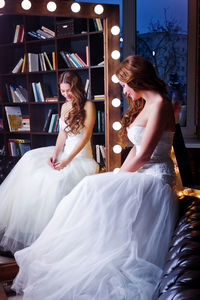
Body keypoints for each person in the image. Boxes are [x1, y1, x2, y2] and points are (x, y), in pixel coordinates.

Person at [12, 55, 178, 300]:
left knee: (91, 186)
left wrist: (119, 176)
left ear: (137, 80)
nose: (123, 90)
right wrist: (120, 174)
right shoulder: (146, 103)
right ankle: (79, 253)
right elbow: (136, 150)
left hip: (155, 178)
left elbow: (143, 155)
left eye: (124, 84)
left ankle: (89, 252)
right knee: (91, 190)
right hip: (142, 172)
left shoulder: (160, 104)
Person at [0, 71, 99, 254]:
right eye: (62, 91)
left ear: (76, 88)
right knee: (32, 165)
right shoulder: (64, 106)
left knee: (57, 182)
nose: (66, 94)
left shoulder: (88, 106)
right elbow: (62, 133)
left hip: (80, 157)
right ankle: (36, 235)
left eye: (69, 90)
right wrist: (55, 154)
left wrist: (68, 160)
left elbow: (85, 136)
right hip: (64, 154)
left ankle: (59, 240)